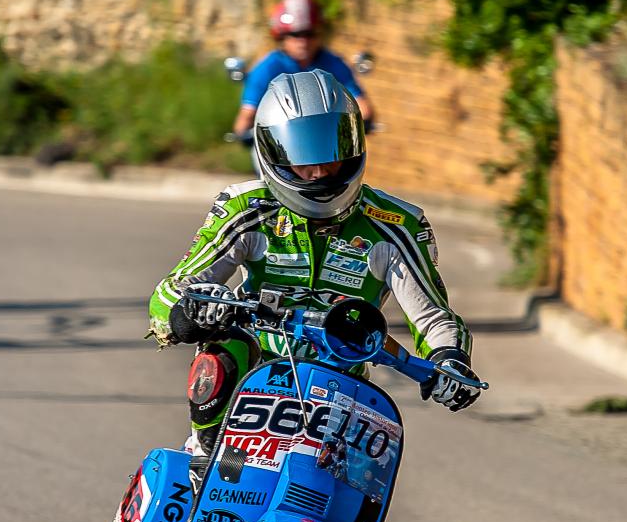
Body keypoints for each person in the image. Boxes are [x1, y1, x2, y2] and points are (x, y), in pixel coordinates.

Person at [152, 70, 477, 457]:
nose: (320, 171)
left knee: (356, 494)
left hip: (342, 386)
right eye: (303, 157)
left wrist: (449, 358)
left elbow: (433, 317)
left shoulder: (398, 224)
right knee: (224, 346)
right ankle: (203, 455)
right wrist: (189, 308)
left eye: (330, 152)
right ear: (271, 152)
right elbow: (178, 284)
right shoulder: (244, 208)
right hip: (250, 375)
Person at [232, 0, 375, 139]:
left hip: (326, 142)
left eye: (309, 33)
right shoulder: (267, 68)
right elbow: (246, 115)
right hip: (280, 146)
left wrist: (361, 122)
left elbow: (362, 107)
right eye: (295, 34)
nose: (303, 41)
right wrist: (244, 134)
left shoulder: (333, 64)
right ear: (281, 37)